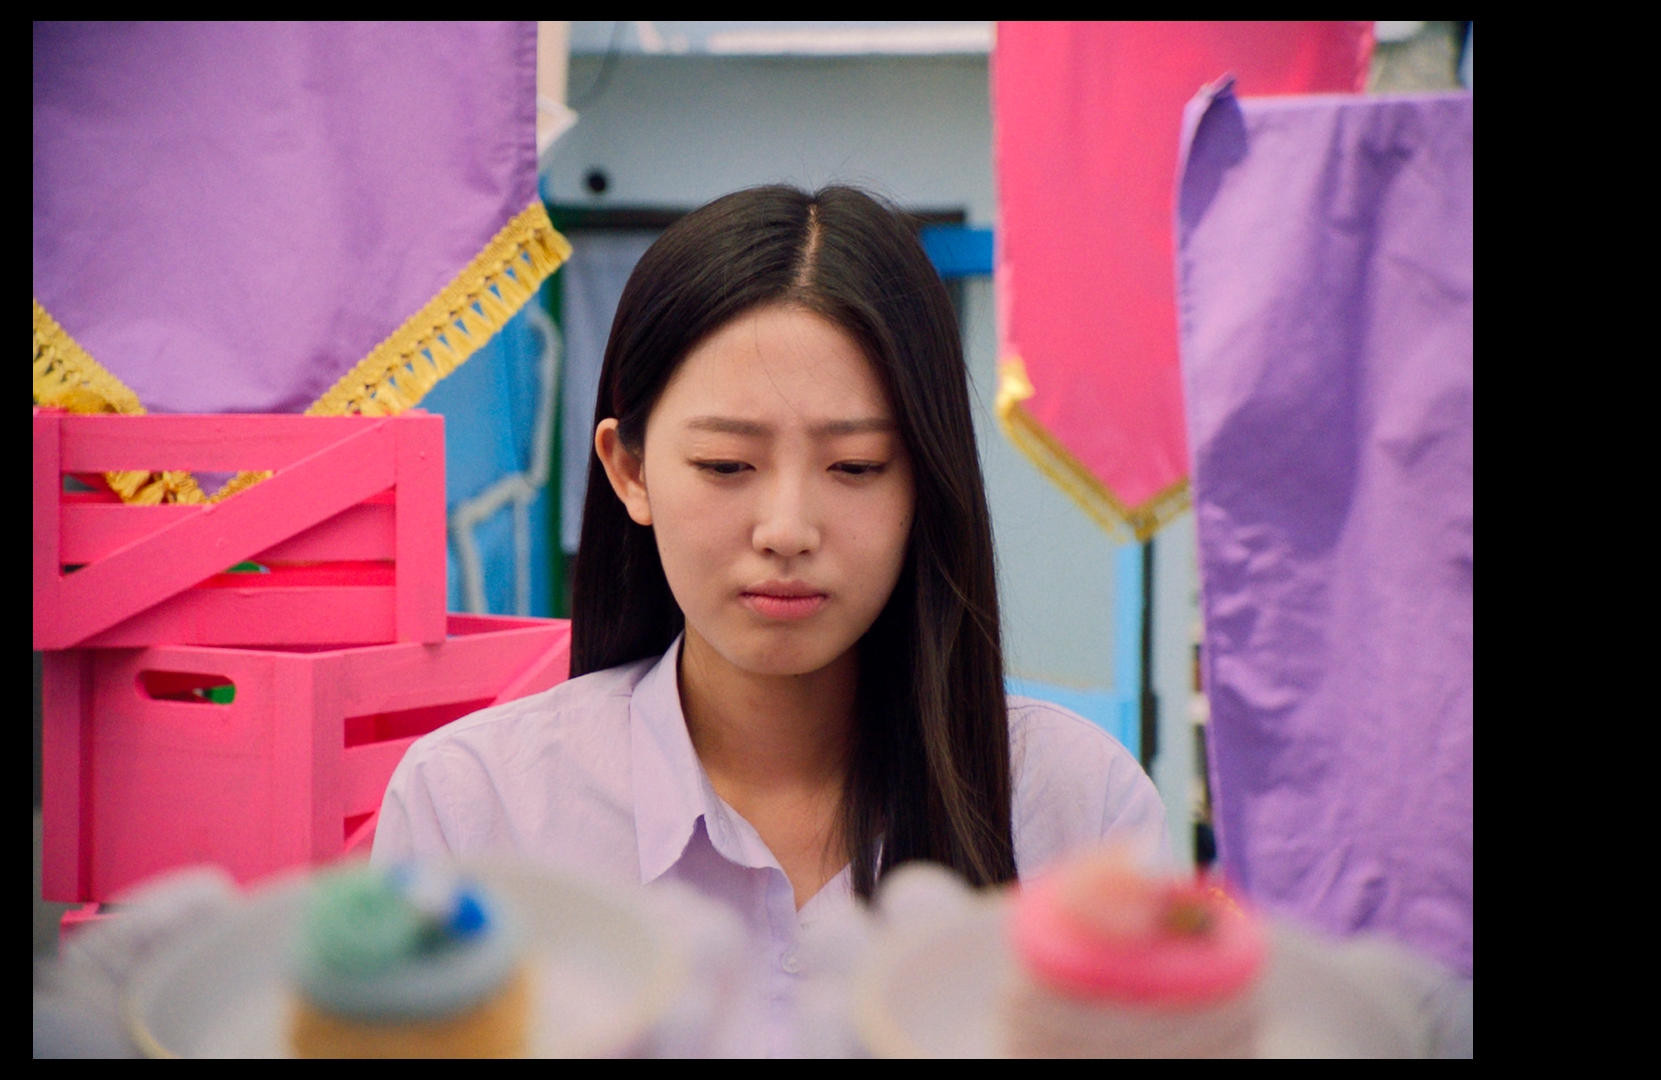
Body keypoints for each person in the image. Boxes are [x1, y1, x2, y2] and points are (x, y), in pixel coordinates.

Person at [372, 185, 1166, 1054]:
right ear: (628, 471)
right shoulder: (477, 809)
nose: (787, 530)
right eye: (726, 464)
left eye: (856, 466)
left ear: (927, 482)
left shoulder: (1078, 810)